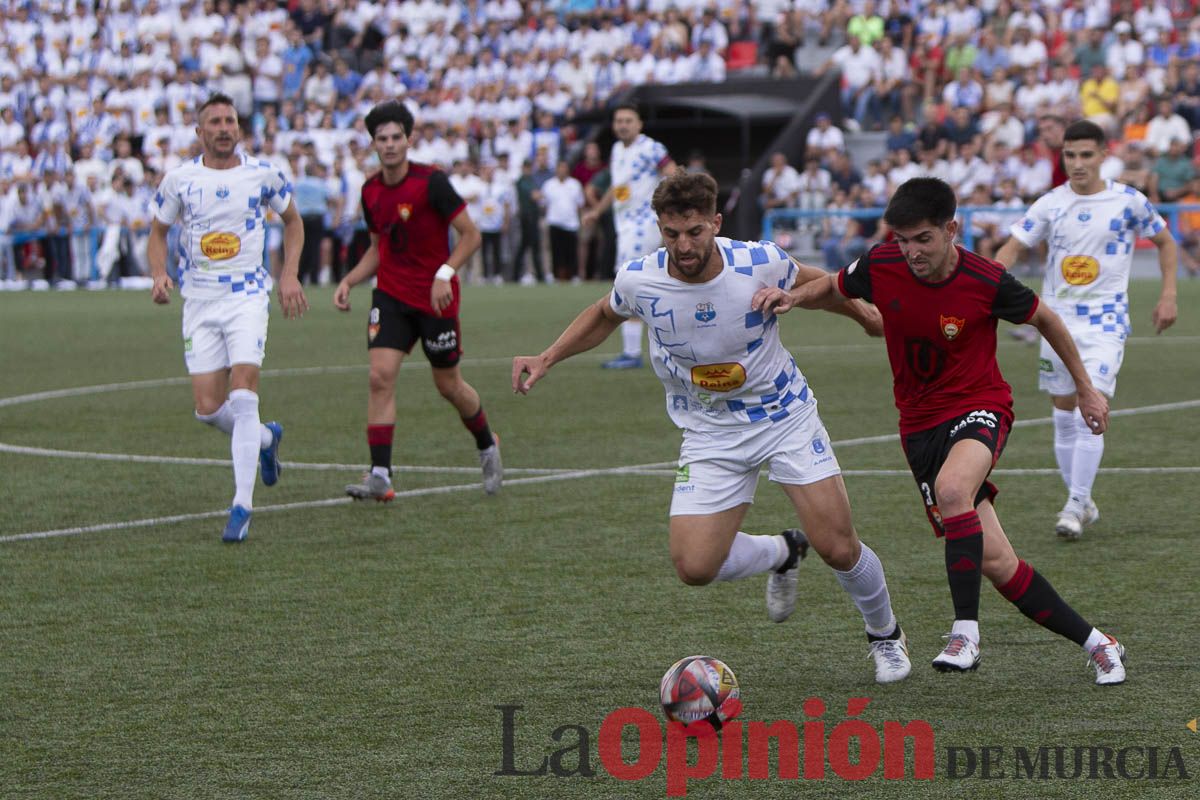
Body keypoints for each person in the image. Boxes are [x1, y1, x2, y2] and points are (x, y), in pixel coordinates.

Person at [513, 173, 914, 685]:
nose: (683, 245)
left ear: (716, 224)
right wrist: (547, 357)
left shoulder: (758, 261)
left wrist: (864, 317)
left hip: (782, 416)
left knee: (838, 545)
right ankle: (782, 552)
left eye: (695, 232)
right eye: (671, 233)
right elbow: (603, 314)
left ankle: (884, 634)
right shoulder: (639, 279)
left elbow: (818, 282)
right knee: (694, 566)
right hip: (709, 429)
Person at [757, 177, 1127, 685]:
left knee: (955, 489)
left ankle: (965, 633)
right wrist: (794, 297)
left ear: (952, 229)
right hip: (919, 428)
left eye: (923, 239)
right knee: (998, 563)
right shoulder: (883, 262)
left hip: (981, 406)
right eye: (903, 239)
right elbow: (836, 284)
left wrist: (1085, 388)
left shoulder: (986, 279)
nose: (910, 251)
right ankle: (1098, 643)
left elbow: (1048, 320)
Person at [994, 120, 1178, 539]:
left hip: (1106, 321)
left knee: (1088, 407)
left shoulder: (1128, 201)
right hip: (1055, 321)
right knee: (1062, 412)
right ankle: (1082, 498)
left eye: (1086, 155)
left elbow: (1166, 242)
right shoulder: (1049, 204)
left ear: (1103, 155)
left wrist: (1168, 294)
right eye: (1070, 155)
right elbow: (1013, 246)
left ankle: (1075, 505)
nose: (1077, 164)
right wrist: (986, 279)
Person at [147, 93, 308, 543]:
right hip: (198, 299)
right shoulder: (181, 178)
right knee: (207, 409)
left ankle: (241, 506)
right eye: (214, 122)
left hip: (247, 295)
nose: (223, 128)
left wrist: (289, 274)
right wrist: (159, 274)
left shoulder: (264, 173)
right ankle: (263, 440)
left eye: (230, 121)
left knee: (243, 392)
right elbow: (158, 233)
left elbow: (293, 222)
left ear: (239, 128)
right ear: (200, 132)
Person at [333, 101, 500, 501]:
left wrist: (445, 274)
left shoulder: (432, 182)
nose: (389, 145)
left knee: (448, 385)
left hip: (435, 298)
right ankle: (379, 474)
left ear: (408, 140)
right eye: (381, 139)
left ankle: (487, 444)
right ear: (372, 143)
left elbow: (470, 236)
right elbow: (378, 249)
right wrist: (350, 280)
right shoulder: (370, 190)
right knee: (379, 377)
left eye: (396, 138)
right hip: (390, 294)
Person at [582, 104, 676, 369]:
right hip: (624, 224)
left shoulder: (651, 148)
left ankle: (633, 352)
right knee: (643, 281)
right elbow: (618, 186)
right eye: (618, 120)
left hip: (643, 224)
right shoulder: (617, 150)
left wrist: (667, 210)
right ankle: (653, 347)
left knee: (630, 281)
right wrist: (597, 211)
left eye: (628, 120)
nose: (623, 125)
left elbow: (673, 174)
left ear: (639, 124)